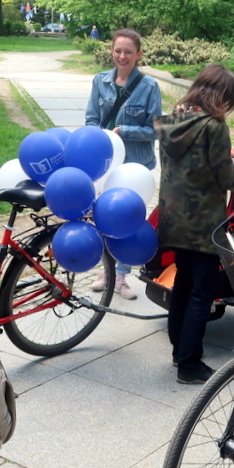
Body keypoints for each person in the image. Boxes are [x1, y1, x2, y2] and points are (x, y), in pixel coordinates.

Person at [155, 64, 234, 384]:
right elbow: (224, 176)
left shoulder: (171, 121)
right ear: (221, 97)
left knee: (182, 284)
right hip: (204, 222)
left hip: (173, 218)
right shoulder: (213, 127)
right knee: (200, 293)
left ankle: (181, 350)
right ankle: (190, 365)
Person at [86, 28, 162, 300]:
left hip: (135, 167)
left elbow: (156, 129)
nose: (122, 56)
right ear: (112, 51)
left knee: (129, 219)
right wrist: (100, 139)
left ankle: (122, 276)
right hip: (106, 163)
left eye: (128, 52)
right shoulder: (100, 81)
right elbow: (91, 120)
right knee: (104, 216)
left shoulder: (149, 87)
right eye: (118, 50)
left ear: (138, 54)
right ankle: (105, 272)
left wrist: (124, 131)